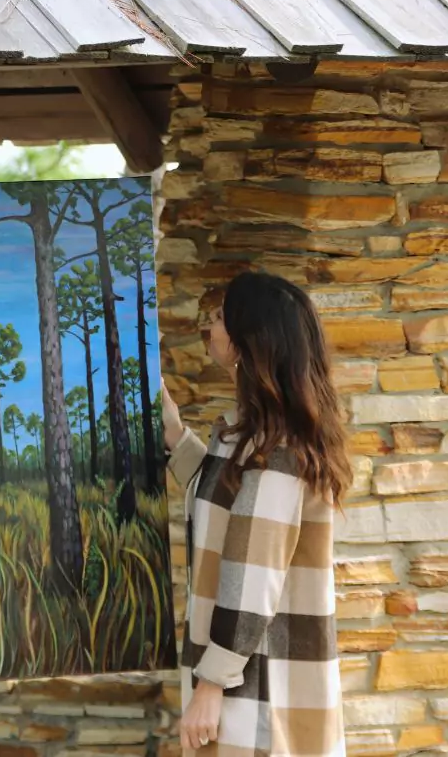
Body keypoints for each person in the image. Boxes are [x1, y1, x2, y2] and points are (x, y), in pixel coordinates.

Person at [161, 271, 351, 756]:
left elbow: (253, 575)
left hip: (256, 680)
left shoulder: (276, 451)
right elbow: (227, 504)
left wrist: (211, 685)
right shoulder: (256, 439)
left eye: (222, 317)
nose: (211, 324)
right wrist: (175, 436)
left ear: (247, 342)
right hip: (249, 671)